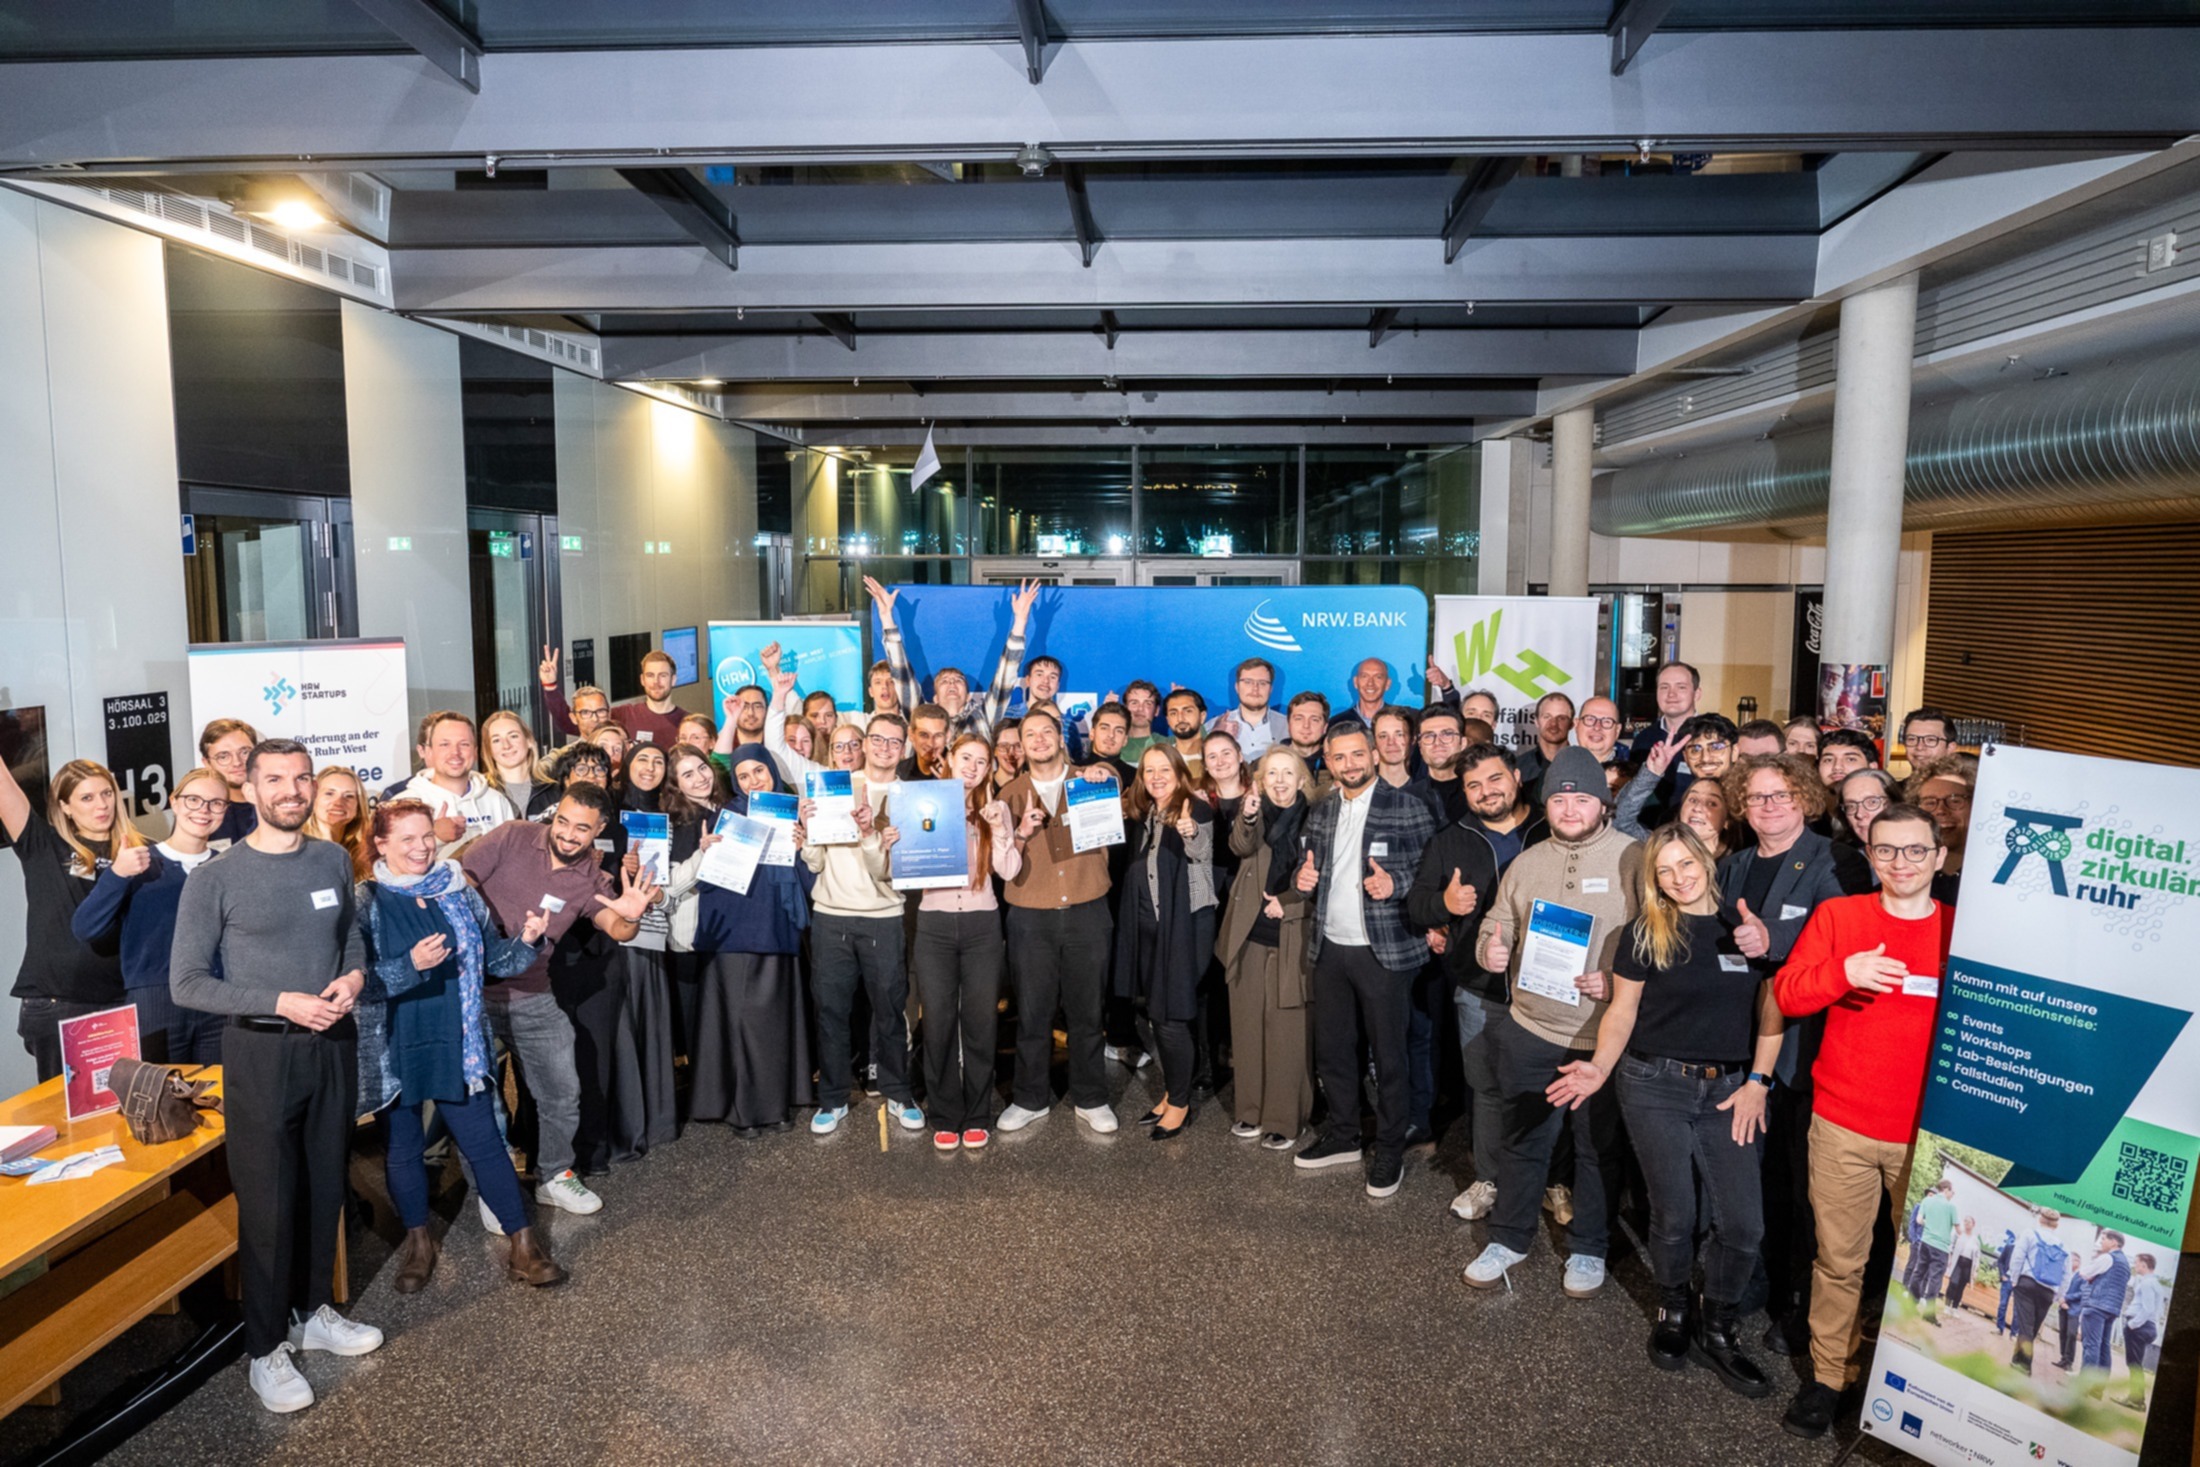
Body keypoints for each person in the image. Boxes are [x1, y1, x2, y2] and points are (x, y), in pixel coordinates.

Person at [168, 738, 382, 1413]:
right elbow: (187, 983)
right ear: (250, 790)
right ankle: (264, 1348)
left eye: (301, 778)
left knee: (325, 1184)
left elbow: (350, 937)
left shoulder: (328, 858)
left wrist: (352, 975)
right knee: (267, 1202)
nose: (292, 790)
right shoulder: (216, 878)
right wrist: (280, 1000)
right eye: (276, 779)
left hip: (332, 1043)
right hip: (260, 1052)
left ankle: (315, 1310)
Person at [1543, 824, 1780, 1394]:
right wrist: (1600, 1065)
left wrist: (1759, 1082)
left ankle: (1718, 1326)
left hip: (1729, 1091)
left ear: (1707, 858)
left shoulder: (1745, 931)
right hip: (1653, 1083)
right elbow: (1622, 1013)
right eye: (1664, 870)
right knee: (1672, 1216)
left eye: (1686, 864)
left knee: (1744, 1224)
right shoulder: (1644, 933)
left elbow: (1773, 1015)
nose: (1678, 878)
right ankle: (1673, 1308)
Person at [1772, 803, 1953, 1438]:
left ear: (1940, 857)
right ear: (1870, 855)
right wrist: (1842, 972)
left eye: (1914, 851)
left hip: (1928, 1142)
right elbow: (1788, 993)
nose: (1900, 863)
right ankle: (1829, 1377)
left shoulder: (1962, 933)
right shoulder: (1840, 916)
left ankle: (1929, 1390)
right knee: (1839, 1261)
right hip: (1843, 1123)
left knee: (1924, 1272)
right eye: (1886, 851)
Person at [354, 799, 565, 1293]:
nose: (422, 847)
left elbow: (495, 959)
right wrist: (411, 965)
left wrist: (528, 941)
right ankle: (419, 1244)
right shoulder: (365, 901)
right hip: (395, 1044)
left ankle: (524, 1245)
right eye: (406, 838)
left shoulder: (458, 891)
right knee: (404, 1149)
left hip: (462, 1039)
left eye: (426, 835)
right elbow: (357, 982)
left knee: (486, 1143)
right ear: (381, 845)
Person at [1461, 748, 1641, 1296]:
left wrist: (1617, 983)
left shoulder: (1636, 858)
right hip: (1530, 1028)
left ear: (1603, 803)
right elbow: (1499, 919)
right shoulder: (1529, 859)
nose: (1568, 808)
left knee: (1595, 1148)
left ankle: (1589, 1246)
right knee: (1524, 1141)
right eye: (1559, 798)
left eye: (1581, 798)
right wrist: (1492, 947)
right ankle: (1510, 1236)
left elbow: (1657, 943)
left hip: (1602, 1036)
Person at [1717, 753, 1873, 1353]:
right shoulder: (1732, 866)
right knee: (1759, 1179)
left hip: (1806, 1050)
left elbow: (1843, 935)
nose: (1769, 806)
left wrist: (1774, 938)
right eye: (1756, 797)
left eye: (1780, 794)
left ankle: (1801, 1303)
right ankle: (1763, 1280)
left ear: (1805, 798)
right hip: (1745, 1042)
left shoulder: (1834, 861)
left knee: (1807, 1186)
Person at [460, 784, 659, 1222]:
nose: (568, 834)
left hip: (533, 995)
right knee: (481, 1101)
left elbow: (618, 930)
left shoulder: (593, 877)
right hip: (472, 993)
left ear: (599, 831)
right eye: (563, 822)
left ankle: (554, 1176)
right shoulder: (512, 835)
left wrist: (633, 911)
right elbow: (462, 878)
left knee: (563, 1092)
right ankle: (490, 1190)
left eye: (582, 829)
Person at [1291, 722, 1439, 1199]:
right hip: (1330, 947)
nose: (1350, 764)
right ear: (1328, 762)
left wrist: (1395, 886)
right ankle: (1343, 1135)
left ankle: (1391, 1149)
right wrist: (1303, 877)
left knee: (1390, 1057)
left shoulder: (1409, 806)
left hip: (1386, 951)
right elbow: (1309, 867)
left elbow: (1429, 877)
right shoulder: (1323, 809)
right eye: (1339, 757)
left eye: (1358, 755)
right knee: (1334, 1051)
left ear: (1375, 755)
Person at [799, 706, 925, 1137]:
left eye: (895, 742)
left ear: (904, 748)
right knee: (831, 1011)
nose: (886, 748)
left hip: (885, 917)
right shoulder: (837, 787)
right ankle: (832, 1098)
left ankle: (898, 1092)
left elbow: (893, 872)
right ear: (864, 743)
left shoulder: (911, 798)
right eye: (878, 739)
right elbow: (816, 860)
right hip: (830, 915)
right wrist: (807, 832)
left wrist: (871, 835)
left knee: (890, 1011)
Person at [996, 709, 1122, 1135]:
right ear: (1021, 745)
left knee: (1087, 1012)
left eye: (1046, 731)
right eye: (1028, 734)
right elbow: (1002, 866)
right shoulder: (1008, 795)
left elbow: (1117, 782)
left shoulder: (1091, 779)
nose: (1038, 740)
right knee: (1032, 1013)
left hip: (1088, 911)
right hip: (1031, 918)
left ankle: (1092, 1097)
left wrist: (1105, 771)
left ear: (1060, 737)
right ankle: (1030, 1099)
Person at [681, 745, 817, 1135]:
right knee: (740, 1027)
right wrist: (708, 852)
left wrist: (802, 846)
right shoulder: (727, 816)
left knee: (773, 1026)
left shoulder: (794, 813)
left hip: (779, 931)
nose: (754, 780)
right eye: (743, 775)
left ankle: (774, 1106)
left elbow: (810, 884)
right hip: (735, 934)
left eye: (760, 770)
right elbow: (708, 880)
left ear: (773, 771)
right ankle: (744, 1112)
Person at [70, 765, 230, 1065]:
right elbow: (85, 928)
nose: (204, 810)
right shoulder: (139, 862)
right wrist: (117, 875)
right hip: (154, 1000)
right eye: (194, 800)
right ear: (175, 801)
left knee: (217, 1099)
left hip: (216, 999)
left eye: (216, 803)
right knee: (157, 1100)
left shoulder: (229, 867)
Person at [1403, 755, 1506, 1219]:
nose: (1486, 791)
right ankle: (1488, 1179)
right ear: (1462, 792)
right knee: (1483, 1088)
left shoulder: (1549, 831)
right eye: (1474, 785)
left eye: (1495, 778)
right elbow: (1417, 907)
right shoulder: (1450, 841)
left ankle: (1553, 1179)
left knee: (1546, 1088)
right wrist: (1443, 903)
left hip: (1547, 992)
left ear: (1517, 777)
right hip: (1478, 988)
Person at [909, 734, 1018, 1151]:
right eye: (965, 757)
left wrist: (1000, 831)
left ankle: (976, 1114)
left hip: (982, 926)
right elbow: (902, 869)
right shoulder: (922, 804)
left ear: (989, 767)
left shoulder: (996, 808)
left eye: (981, 761)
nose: (972, 766)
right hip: (934, 924)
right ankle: (944, 1114)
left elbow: (1008, 871)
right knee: (936, 1022)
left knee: (979, 1022)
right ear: (950, 759)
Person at [1, 755, 139, 1078]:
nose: (101, 805)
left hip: (122, 1000)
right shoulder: (44, 845)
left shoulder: (139, 851)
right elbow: (6, 790)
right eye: (87, 798)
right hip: (59, 1003)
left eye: (107, 794)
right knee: (68, 1118)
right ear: (65, 807)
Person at [1114, 744, 1218, 1140]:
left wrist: (1190, 832)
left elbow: (1202, 849)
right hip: (1152, 929)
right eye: (1149, 771)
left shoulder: (1195, 809)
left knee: (1173, 1018)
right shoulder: (1149, 814)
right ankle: (1172, 1091)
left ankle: (1180, 1103)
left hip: (1185, 930)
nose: (1156, 777)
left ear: (1179, 772)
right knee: (1158, 1016)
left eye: (1164, 770)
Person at [1217, 747, 1316, 1148]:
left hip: (1294, 938)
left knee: (1288, 1034)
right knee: (1246, 1029)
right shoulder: (1253, 814)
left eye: (1287, 773)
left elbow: (1326, 879)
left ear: (1301, 779)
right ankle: (1250, 1112)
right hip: (1248, 937)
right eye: (1271, 773)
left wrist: (1288, 902)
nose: (1279, 780)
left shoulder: (1318, 817)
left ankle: (1284, 1119)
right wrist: (1249, 813)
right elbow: (1240, 846)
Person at [871, 574, 1036, 741]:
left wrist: (1020, 621)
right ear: (934, 698)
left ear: (969, 696)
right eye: (944, 681)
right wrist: (886, 618)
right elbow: (902, 675)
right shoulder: (921, 718)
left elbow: (1005, 677)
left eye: (958, 680)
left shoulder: (984, 717)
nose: (951, 683)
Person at [540, 645, 686, 748]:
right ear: (642, 680)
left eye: (663, 675)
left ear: (673, 679)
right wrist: (550, 686)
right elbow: (569, 722)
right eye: (650, 675)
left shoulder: (686, 722)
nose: (656, 682)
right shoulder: (623, 716)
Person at [2005, 1208, 2072, 1378]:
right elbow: (2066, 1275)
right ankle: (2016, 1360)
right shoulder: (2063, 1246)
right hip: (2048, 1292)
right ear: (2056, 1225)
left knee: (2026, 1326)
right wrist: (2058, 1295)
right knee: (2032, 1328)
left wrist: (2014, 1278)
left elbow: (2018, 1257)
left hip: (2027, 1284)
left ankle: (2025, 1366)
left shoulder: (2030, 1234)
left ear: (2040, 1219)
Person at [1908, 755, 1974, 902]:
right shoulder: (1903, 875)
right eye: (1930, 802)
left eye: (1954, 801)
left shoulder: (1996, 878)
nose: (1940, 810)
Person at [1206, 657, 1289, 761]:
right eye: (1248, 682)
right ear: (1237, 687)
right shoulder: (1214, 727)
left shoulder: (1288, 727)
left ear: (1271, 689)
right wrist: (1216, 736)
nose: (1255, 688)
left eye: (1262, 683)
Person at [2076, 1230, 2132, 1377]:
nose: (2101, 1242)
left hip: (2096, 1305)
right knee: (2104, 1347)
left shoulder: (2107, 1258)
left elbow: (2085, 1273)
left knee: (2091, 1345)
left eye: (2104, 1239)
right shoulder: (2125, 1264)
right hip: (2112, 1309)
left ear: (2114, 1242)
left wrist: (2089, 1274)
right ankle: (2097, 1388)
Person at [303, 766, 372, 881]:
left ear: (358, 806)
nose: (338, 802)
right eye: (329, 793)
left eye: (349, 796)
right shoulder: (294, 848)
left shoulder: (365, 854)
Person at [198, 717, 261, 843]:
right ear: (207, 763)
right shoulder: (199, 812)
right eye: (223, 756)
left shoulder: (278, 802)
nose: (237, 762)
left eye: (244, 752)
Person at [1627, 662, 1701, 763]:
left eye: (1681, 687)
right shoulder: (1643, 739)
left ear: (1697, 694)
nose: (1671, 694)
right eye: (1664, 687)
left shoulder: (1713, 736)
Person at [2119, 1252, 2165, 1408]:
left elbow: (2147, 1308)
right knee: (2135, 1364)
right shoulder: (2155, 1284)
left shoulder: (2147, 1284)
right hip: (2148, 1327)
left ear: (2144, 1265)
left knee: (2134, 1364)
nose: (2135, 1266)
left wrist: (2132, 1324)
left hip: (2139, 1327)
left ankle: (2136, 1400)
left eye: (2137, 1263)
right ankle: (2136, 1399)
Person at [1911, 1179, 1960, 1322]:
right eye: (1952, 1192)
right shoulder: (1951, 1208)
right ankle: (1928, 1314)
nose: (1952, 1195)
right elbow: (1959, 1230)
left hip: (1925, 1242)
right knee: (1935, 1279)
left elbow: (1919, 1220)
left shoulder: (1927, 1200)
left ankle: (1912, 1304)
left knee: (1918, 1272)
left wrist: (1930, 1224)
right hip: (1941, 1248)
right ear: (1946, 1190)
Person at [481, 709, 544, 816]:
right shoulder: (480, 791)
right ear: (489, 750)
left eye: (513, 736)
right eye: (496, 740)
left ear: (529, 741)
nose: (506, 745)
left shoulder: (554, 790)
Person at [1414, 706, 1470, 824]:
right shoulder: (1404, 798)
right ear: (1420, 747)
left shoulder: (1479, 795)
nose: (1437, 743)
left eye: (1447, 734)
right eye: (1429, 736)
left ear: (1463, 743)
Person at [1511, 691, 1576, 795]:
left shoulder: (1584, 766)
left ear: (1572, 724)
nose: (1553, 724)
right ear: (1536, 721)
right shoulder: (1518, 767)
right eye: (1547, 717)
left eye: (1561, 718)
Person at [1835, 768, 1901, 850]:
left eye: (1872, 802)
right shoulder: (1838, 859)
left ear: (1894, 804)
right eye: (1851, 806)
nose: (1859, 814)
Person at [1283, 692, 1333, 788]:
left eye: (1314, 719)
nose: (1306, 725)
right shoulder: (1267, 764)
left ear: (1325, 727)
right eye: (1299, 718)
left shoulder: (1335, 766)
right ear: (1289, 724)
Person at [1162, 687, 1208, 776]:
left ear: (1202, 716)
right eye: (1173, 713)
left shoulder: (1217, 758)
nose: (1180, 718)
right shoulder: (1161, 759)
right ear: (1167, 720)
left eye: (1188, 711)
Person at [900, 703, 952, 781]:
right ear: (911, 734)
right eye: (924, 735)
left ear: (948, 736)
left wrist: (953, 784)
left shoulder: (962, 773)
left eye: (938, 735)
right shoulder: (898, 772)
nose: (931, 743)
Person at [1897, 705, 1956, 774]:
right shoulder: (1891, 785)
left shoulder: (1958, 784)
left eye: (1930, 740)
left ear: (1950, 748)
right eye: (1912, 739)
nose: (1919, 747)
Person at [1339, 658, 1393, 732]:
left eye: (1378, 677)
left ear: (1387, 684)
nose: (1370, 683)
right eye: (1364, 676)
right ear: (1355, 682)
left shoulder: (1401, 721)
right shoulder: (1338, 723)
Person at [1088, 702, 1137, 783]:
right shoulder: (1073, 771)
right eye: (1104, 728)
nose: (1111, 735)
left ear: (1125, 740)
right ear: (1092, 734)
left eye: (1119, 731)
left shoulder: (1136, 778)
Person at [1944, 1216, 1981, 1315]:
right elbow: (1951, 1246)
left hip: (1968, 1265)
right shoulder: (1959, 1235)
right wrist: (1949, 1258)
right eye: (1965, 1221)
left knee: (1961, 1286)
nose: (1966, 1224)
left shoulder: (1975, 1240)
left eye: (1969, 1222)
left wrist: (1975, 1270)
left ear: (1973, 1225)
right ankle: (1947, 1305)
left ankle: (1955, 1307)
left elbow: (1977, 1256)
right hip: (1958, 1261)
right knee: (1953, 1283)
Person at [1121, 681, 1163, 763]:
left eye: (1148, 703)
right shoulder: (1113, 744)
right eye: (1134, 703)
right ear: (1125, 708)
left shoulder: (1168, 744)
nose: (1140, 708)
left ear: (1157, 711)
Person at [1574, 697, 1623, 767]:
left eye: (1606, 721)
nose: (1597, 727)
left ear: (1617, 730)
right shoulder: (1556, 771)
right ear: (1576, 725)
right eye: (1590, 719)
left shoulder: (1632, 776)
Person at [990, 718, 1025, 793]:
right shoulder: (981, 789)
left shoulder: (1036, 786)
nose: (1011, 753)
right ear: (994, 751)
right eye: (1004, 746)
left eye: (1018, 746)